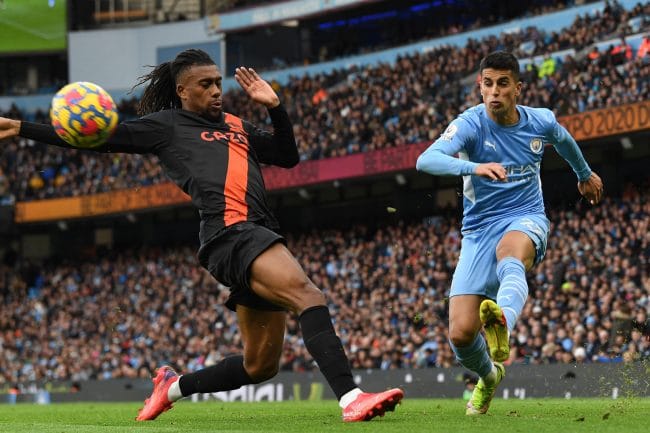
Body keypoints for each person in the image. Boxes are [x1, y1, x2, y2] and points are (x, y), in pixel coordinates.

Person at [0, 49, 403, 422]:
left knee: (259, 367)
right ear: (182, 91)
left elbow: (288, 156)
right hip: (230, 233)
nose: (215, 91)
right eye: (205, 84)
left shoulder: (237, 125)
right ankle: (351, 398)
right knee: (308, 295)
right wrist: (21, 127)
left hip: (257, 232)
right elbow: (101, 139)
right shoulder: (167, 126)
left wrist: (276, 108)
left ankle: (172, 387)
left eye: (217, 83)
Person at [416, 51, 603, 415]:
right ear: (480, 87)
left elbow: (563, 139)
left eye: (503, 84)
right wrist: (474, 167)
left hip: (526, 217)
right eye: (488, 84)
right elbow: (426, 160)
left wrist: (584, 174)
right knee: (460, 334)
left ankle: (502, 321)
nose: (494, 91)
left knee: (510, 252)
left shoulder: (540, 121)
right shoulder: (470, 124)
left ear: (518, 88)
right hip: (477, 231)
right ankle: (489, 376)